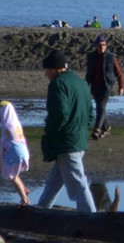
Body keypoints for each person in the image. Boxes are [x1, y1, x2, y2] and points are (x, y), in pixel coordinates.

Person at [38, 49, 96, 213]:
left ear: (54, 69)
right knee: (54, 181)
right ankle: (41, 211)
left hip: (67, 141)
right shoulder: (80, 83)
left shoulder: (57, 84)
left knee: (78, 184)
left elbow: (60, 114)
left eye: (47, 70)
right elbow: (90, 113)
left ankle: (91, 219)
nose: (46, 74)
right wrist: (82, 129)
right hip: (79, 138)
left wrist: (50, 131)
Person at [85, 35, 124, 141]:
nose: (102, 47)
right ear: (96, 46)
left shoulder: (111, 57)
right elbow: (88, 73)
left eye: (104, 45)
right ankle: (107, 127)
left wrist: (121, 86)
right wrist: (85, 87)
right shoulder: (91, 56)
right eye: (99, 45)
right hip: (95, 85)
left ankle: (97, 129)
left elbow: (119, 73)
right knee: (99, 107)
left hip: (106, 86)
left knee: (101, 106)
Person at [1, 100, 30, 205]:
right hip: (23, 151)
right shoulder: (15, 124)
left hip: (15, 153)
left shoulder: (8, 127)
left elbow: (5, 140)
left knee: (12, 176)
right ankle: (24, 189)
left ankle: (25, 199)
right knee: (15, 174)